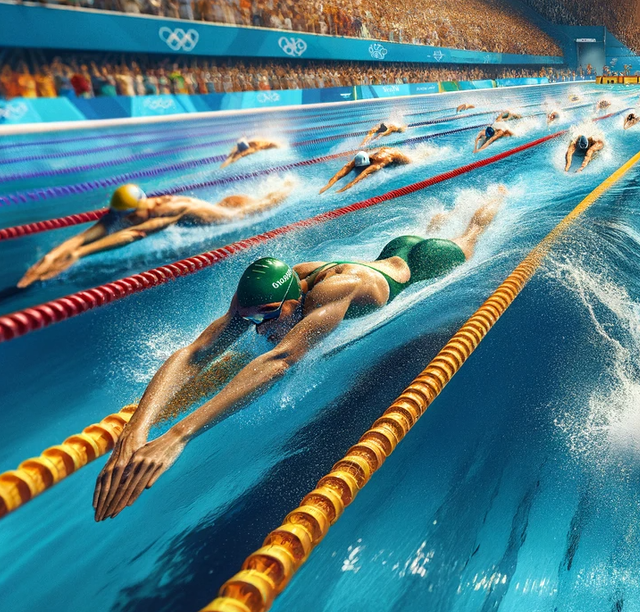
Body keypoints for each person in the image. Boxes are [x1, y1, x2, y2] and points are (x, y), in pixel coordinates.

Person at [92, 192, 507, 521]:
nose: (260, 329)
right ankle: (439, 221)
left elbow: (280, 361)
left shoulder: (330, 294)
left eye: (271, 318)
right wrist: (136, 429)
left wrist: (177, 436)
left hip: (425, 260)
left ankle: (491, 203)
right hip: (389, 251)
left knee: (468, 239)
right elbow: (196, 352)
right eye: (252, 320)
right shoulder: (265, 295)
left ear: (295, 302)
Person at [19, 182, 293, 287]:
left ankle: (287, 186)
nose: (123, 221)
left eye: (128, 216)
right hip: (225, 203)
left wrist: (79, 254)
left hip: (231, 214)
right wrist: (51, 258)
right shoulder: (131, 205)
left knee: (264, 205)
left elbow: (135, 234)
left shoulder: (170, 210)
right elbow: (86, 235)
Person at [320, 147, 412, 194]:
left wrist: (342, 190)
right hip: (387, 151)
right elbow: (343, 170)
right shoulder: (362, 157)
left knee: (412, 162)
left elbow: (360, 177)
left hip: (400, 158)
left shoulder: (378, 163)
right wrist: (327, 186)